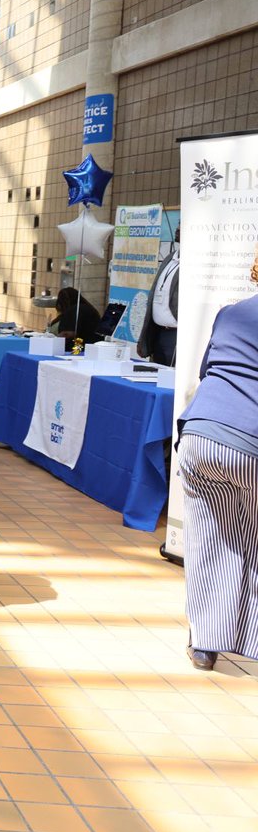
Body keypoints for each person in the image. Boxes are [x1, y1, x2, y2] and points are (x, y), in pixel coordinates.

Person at [178, 253, 258, 671]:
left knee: (211, 539)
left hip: (202, 436)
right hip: (251, 442)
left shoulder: (231, 314)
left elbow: (209, 369)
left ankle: (206, 645)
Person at [138, 227, 179, 366]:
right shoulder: (170, 258)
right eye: (178, 225)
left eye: (182, 226)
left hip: (176, 334)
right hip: (158, 332)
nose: (178, 229)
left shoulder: (195, 262)